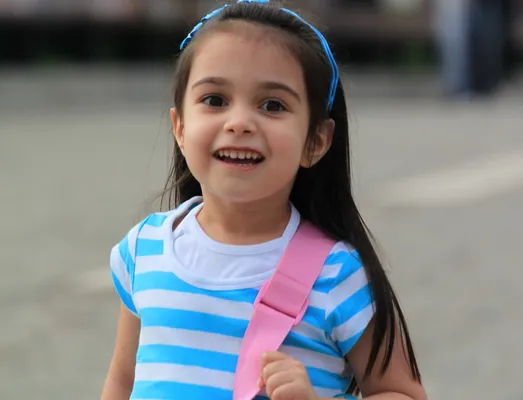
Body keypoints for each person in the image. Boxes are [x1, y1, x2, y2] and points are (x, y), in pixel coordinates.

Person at [100, 1, 427, 399]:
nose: (239, 122)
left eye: (273, 105)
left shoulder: (336, 274)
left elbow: (402, 392)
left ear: (316, 141)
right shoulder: (143, 250)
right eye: (215, 100)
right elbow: (121, 382)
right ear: (180, 128)